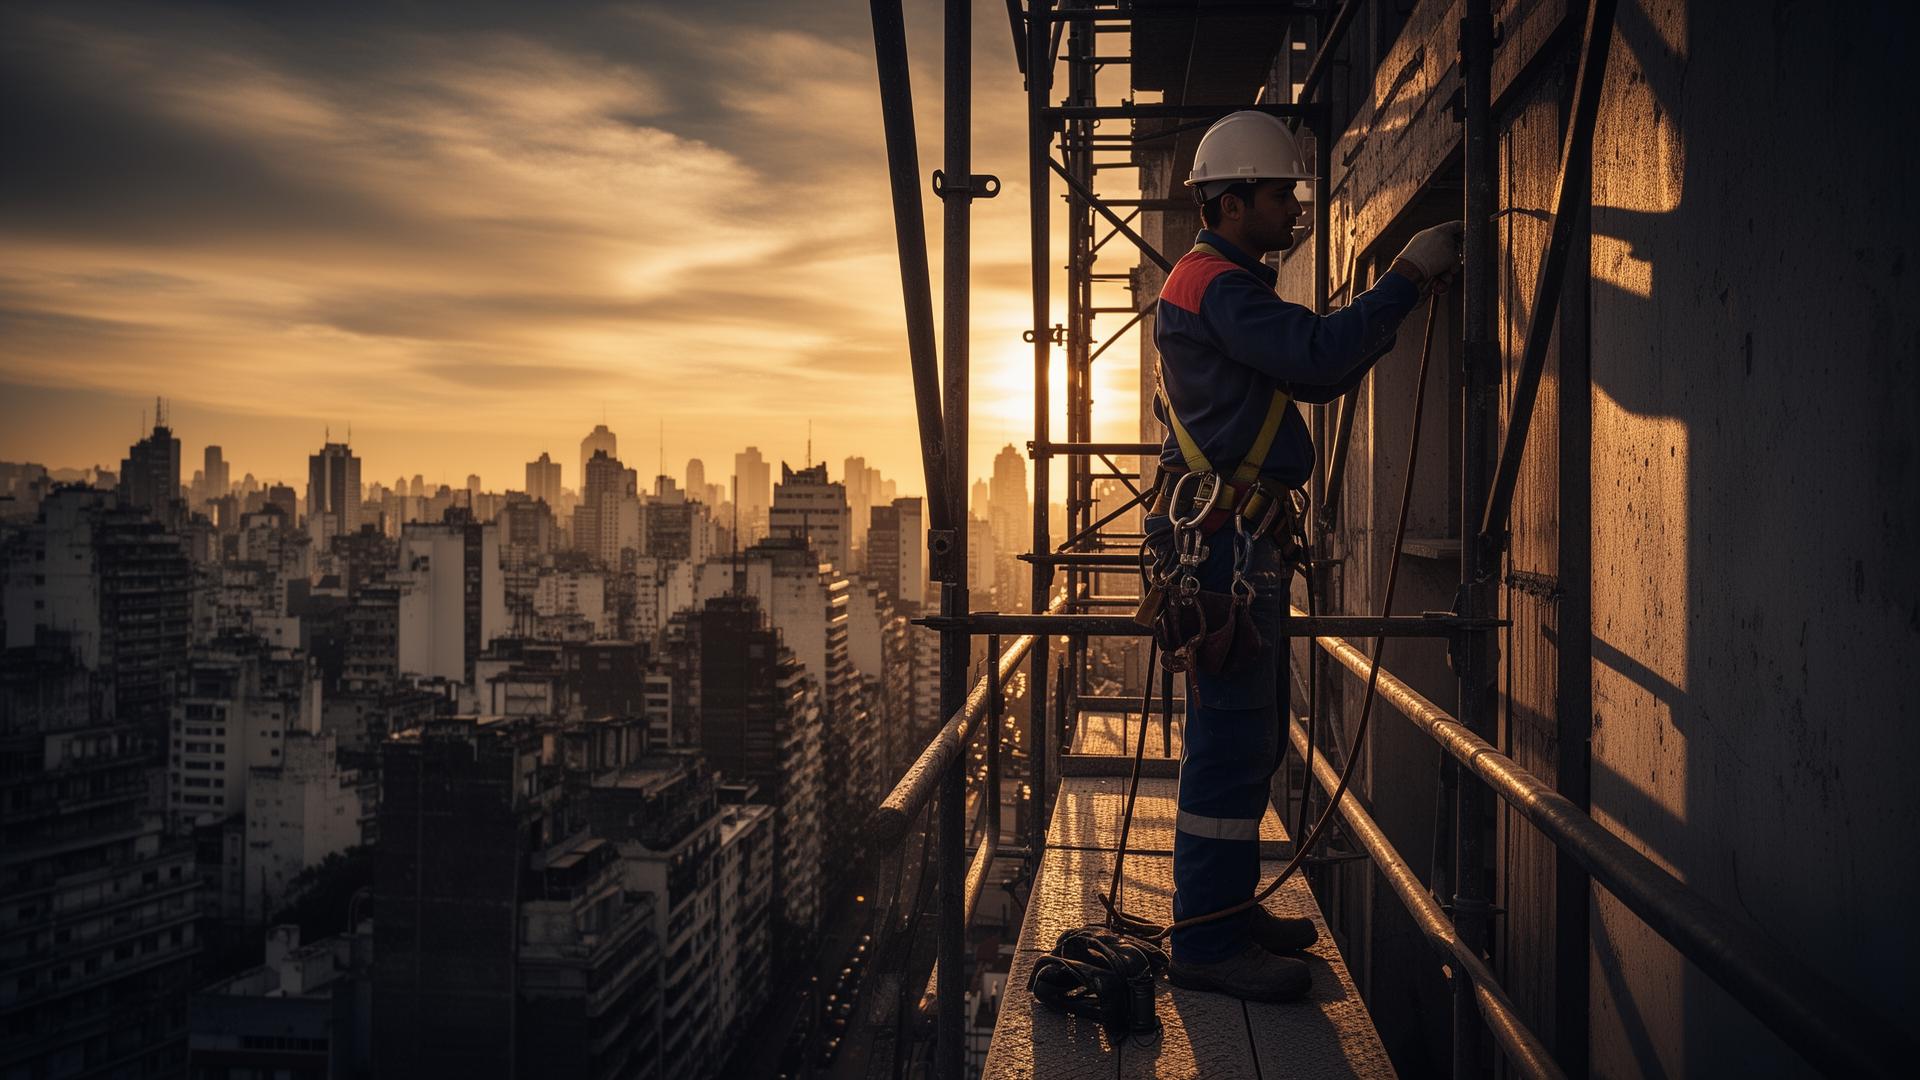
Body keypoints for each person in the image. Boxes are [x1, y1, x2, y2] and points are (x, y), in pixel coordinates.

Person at [1146, 109, 1462, 1002]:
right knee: (1230, 739)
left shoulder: (1217, 280)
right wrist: (1405, 276)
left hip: (1235, 544)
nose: (1294, 206)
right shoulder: (1217, 284)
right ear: (1232, 199)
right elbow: (1316, 358)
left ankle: (1224, 908)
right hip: (1226, 552)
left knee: (1248, 738)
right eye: (1281, 193)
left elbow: (1305, 359)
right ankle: (1205, 939)